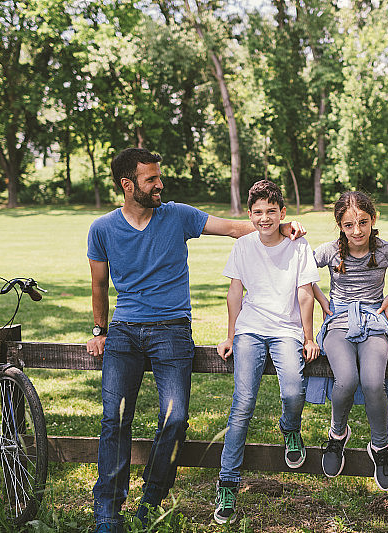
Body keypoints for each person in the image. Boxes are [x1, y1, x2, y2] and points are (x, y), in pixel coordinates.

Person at [86, 148, 305, 532]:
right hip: (123, 332)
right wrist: (99, 330)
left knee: (176, 418)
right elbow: (99, 286)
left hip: (172, 330)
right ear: (127, 185)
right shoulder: (102, 229)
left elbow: (236, 228)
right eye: (151, 179)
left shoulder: (177, 215)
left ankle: (151, 498)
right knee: (114, 419)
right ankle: (108, 512)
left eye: (158, 176)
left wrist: (279, 227)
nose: (160, 184)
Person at [212, 180, 321, 525]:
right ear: (250, 214)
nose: (264, 218)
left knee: (293, 391)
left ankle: (290, 428)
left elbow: (305, 293)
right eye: (257, 212)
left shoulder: (298, 245)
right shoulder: (243, 245)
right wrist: (230, 335)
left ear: (282, 213)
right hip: (250, 330)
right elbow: (234, 294)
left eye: (271, 212)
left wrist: (308, 336)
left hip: (286, 331)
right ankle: (227, 483)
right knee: (242, 404)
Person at [308, 191, 388, 491]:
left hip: (373, 322)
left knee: (372, 382)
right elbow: (300, 270)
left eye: (363, 222)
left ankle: (380, 448)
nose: (357, 231)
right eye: (348, 225)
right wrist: (322, 300)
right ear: (340, 226)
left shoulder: (384, 251)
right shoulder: (330, 251)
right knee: (346, 380)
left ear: (373, 219)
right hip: (339, 322)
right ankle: (337, 436)